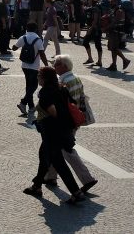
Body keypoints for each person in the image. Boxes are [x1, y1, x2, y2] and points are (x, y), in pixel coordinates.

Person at [21, 67, 83, 203]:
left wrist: (42, 120)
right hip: (63, 130)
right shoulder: (62, 88)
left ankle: (76, 192)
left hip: (52, 132)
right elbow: (73, 103)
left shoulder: (45, 93)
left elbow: (53, 112)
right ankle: (36, 186)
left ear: (45, 78)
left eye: (39, 76)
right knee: (44, 156)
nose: (38, 78)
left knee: (58, 162)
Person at [47, 55, 98, 195]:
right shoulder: (75, 78)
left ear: (64, 66)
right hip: (74, 119)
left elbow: (62, 103)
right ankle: (50, 176)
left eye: (56, 64)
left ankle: (87, 179)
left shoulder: (64, 82)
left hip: (65, 121)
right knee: (55, 148)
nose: (54, 66)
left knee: (67, 150)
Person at [14, 21, 48, 118]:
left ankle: (31, 106)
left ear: (27, 28)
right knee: (33, 86)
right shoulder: (38, 39)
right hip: (34, 66)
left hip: (24, 65)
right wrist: (46, 65)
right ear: (36, 29)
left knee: (29, 85)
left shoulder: (23, 37)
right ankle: (23, 103)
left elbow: (14, 48)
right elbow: (42, 53)